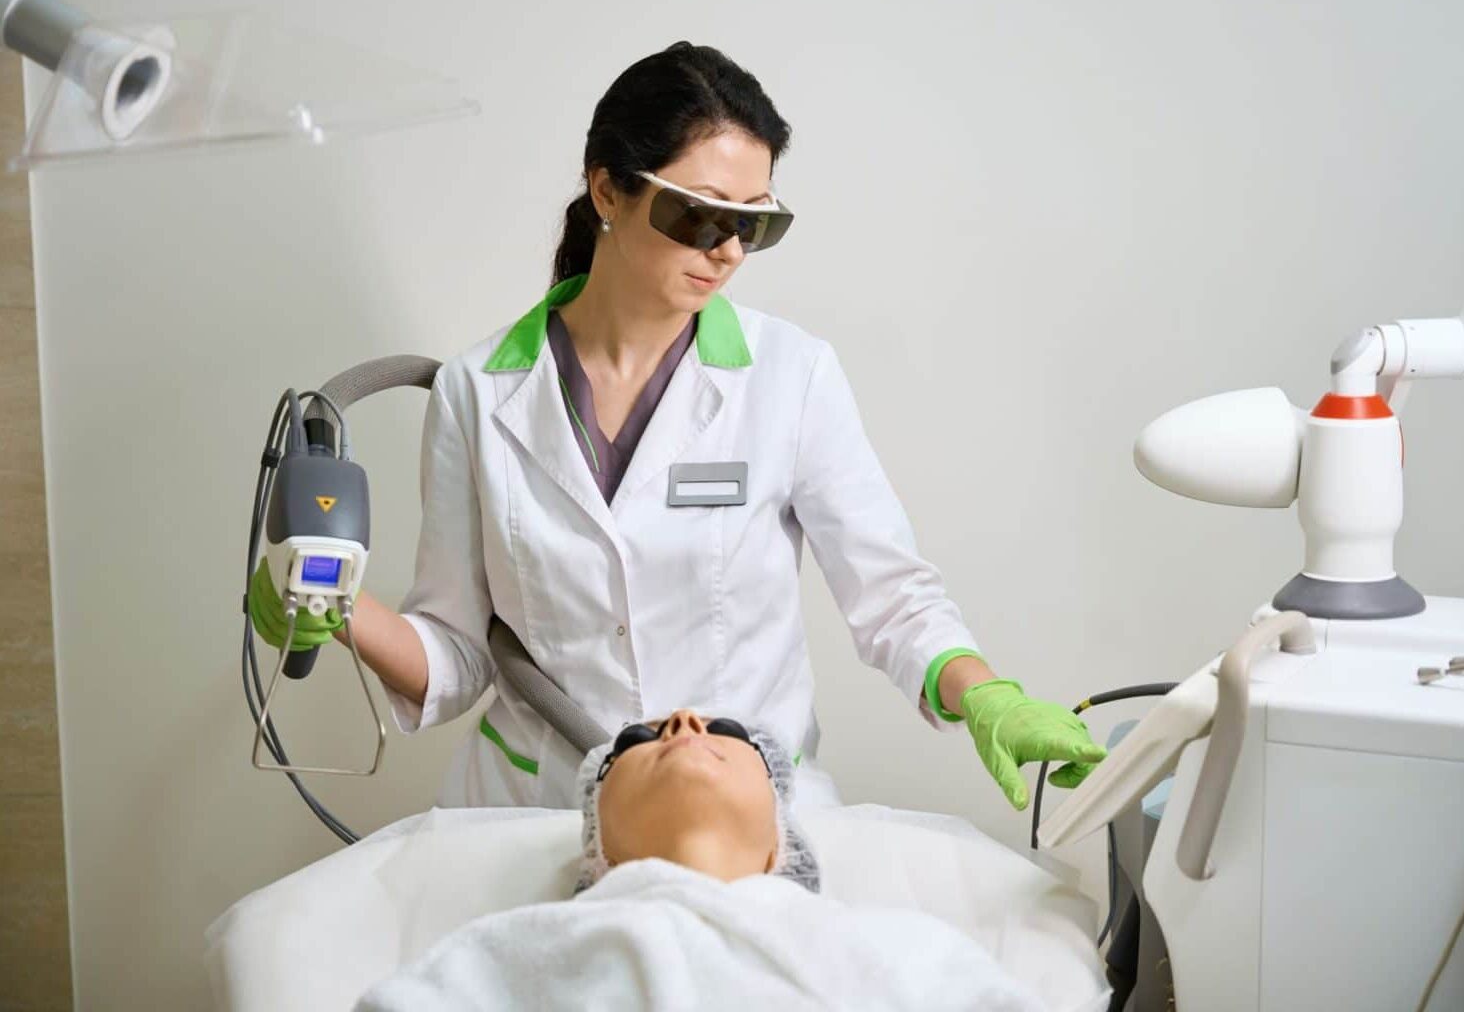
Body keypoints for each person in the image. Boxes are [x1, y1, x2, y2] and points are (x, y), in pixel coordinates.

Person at [250, 41, 1104, 810]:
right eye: (700, 212)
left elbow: (892, 600)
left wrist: (986, 693)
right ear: (608, 190)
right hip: (537, 813)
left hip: (743, 818)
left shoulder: (790, 377)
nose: (728, 247)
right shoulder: (477, 392)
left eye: (755, 221)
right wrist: (337, 607)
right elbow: (457, 655)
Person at [352, 710, 1047, 1011]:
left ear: (783, 841)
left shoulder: (908, 952)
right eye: (634, 739)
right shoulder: (500, 957)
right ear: (597, 850)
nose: (684, 720)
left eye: (729, 731)